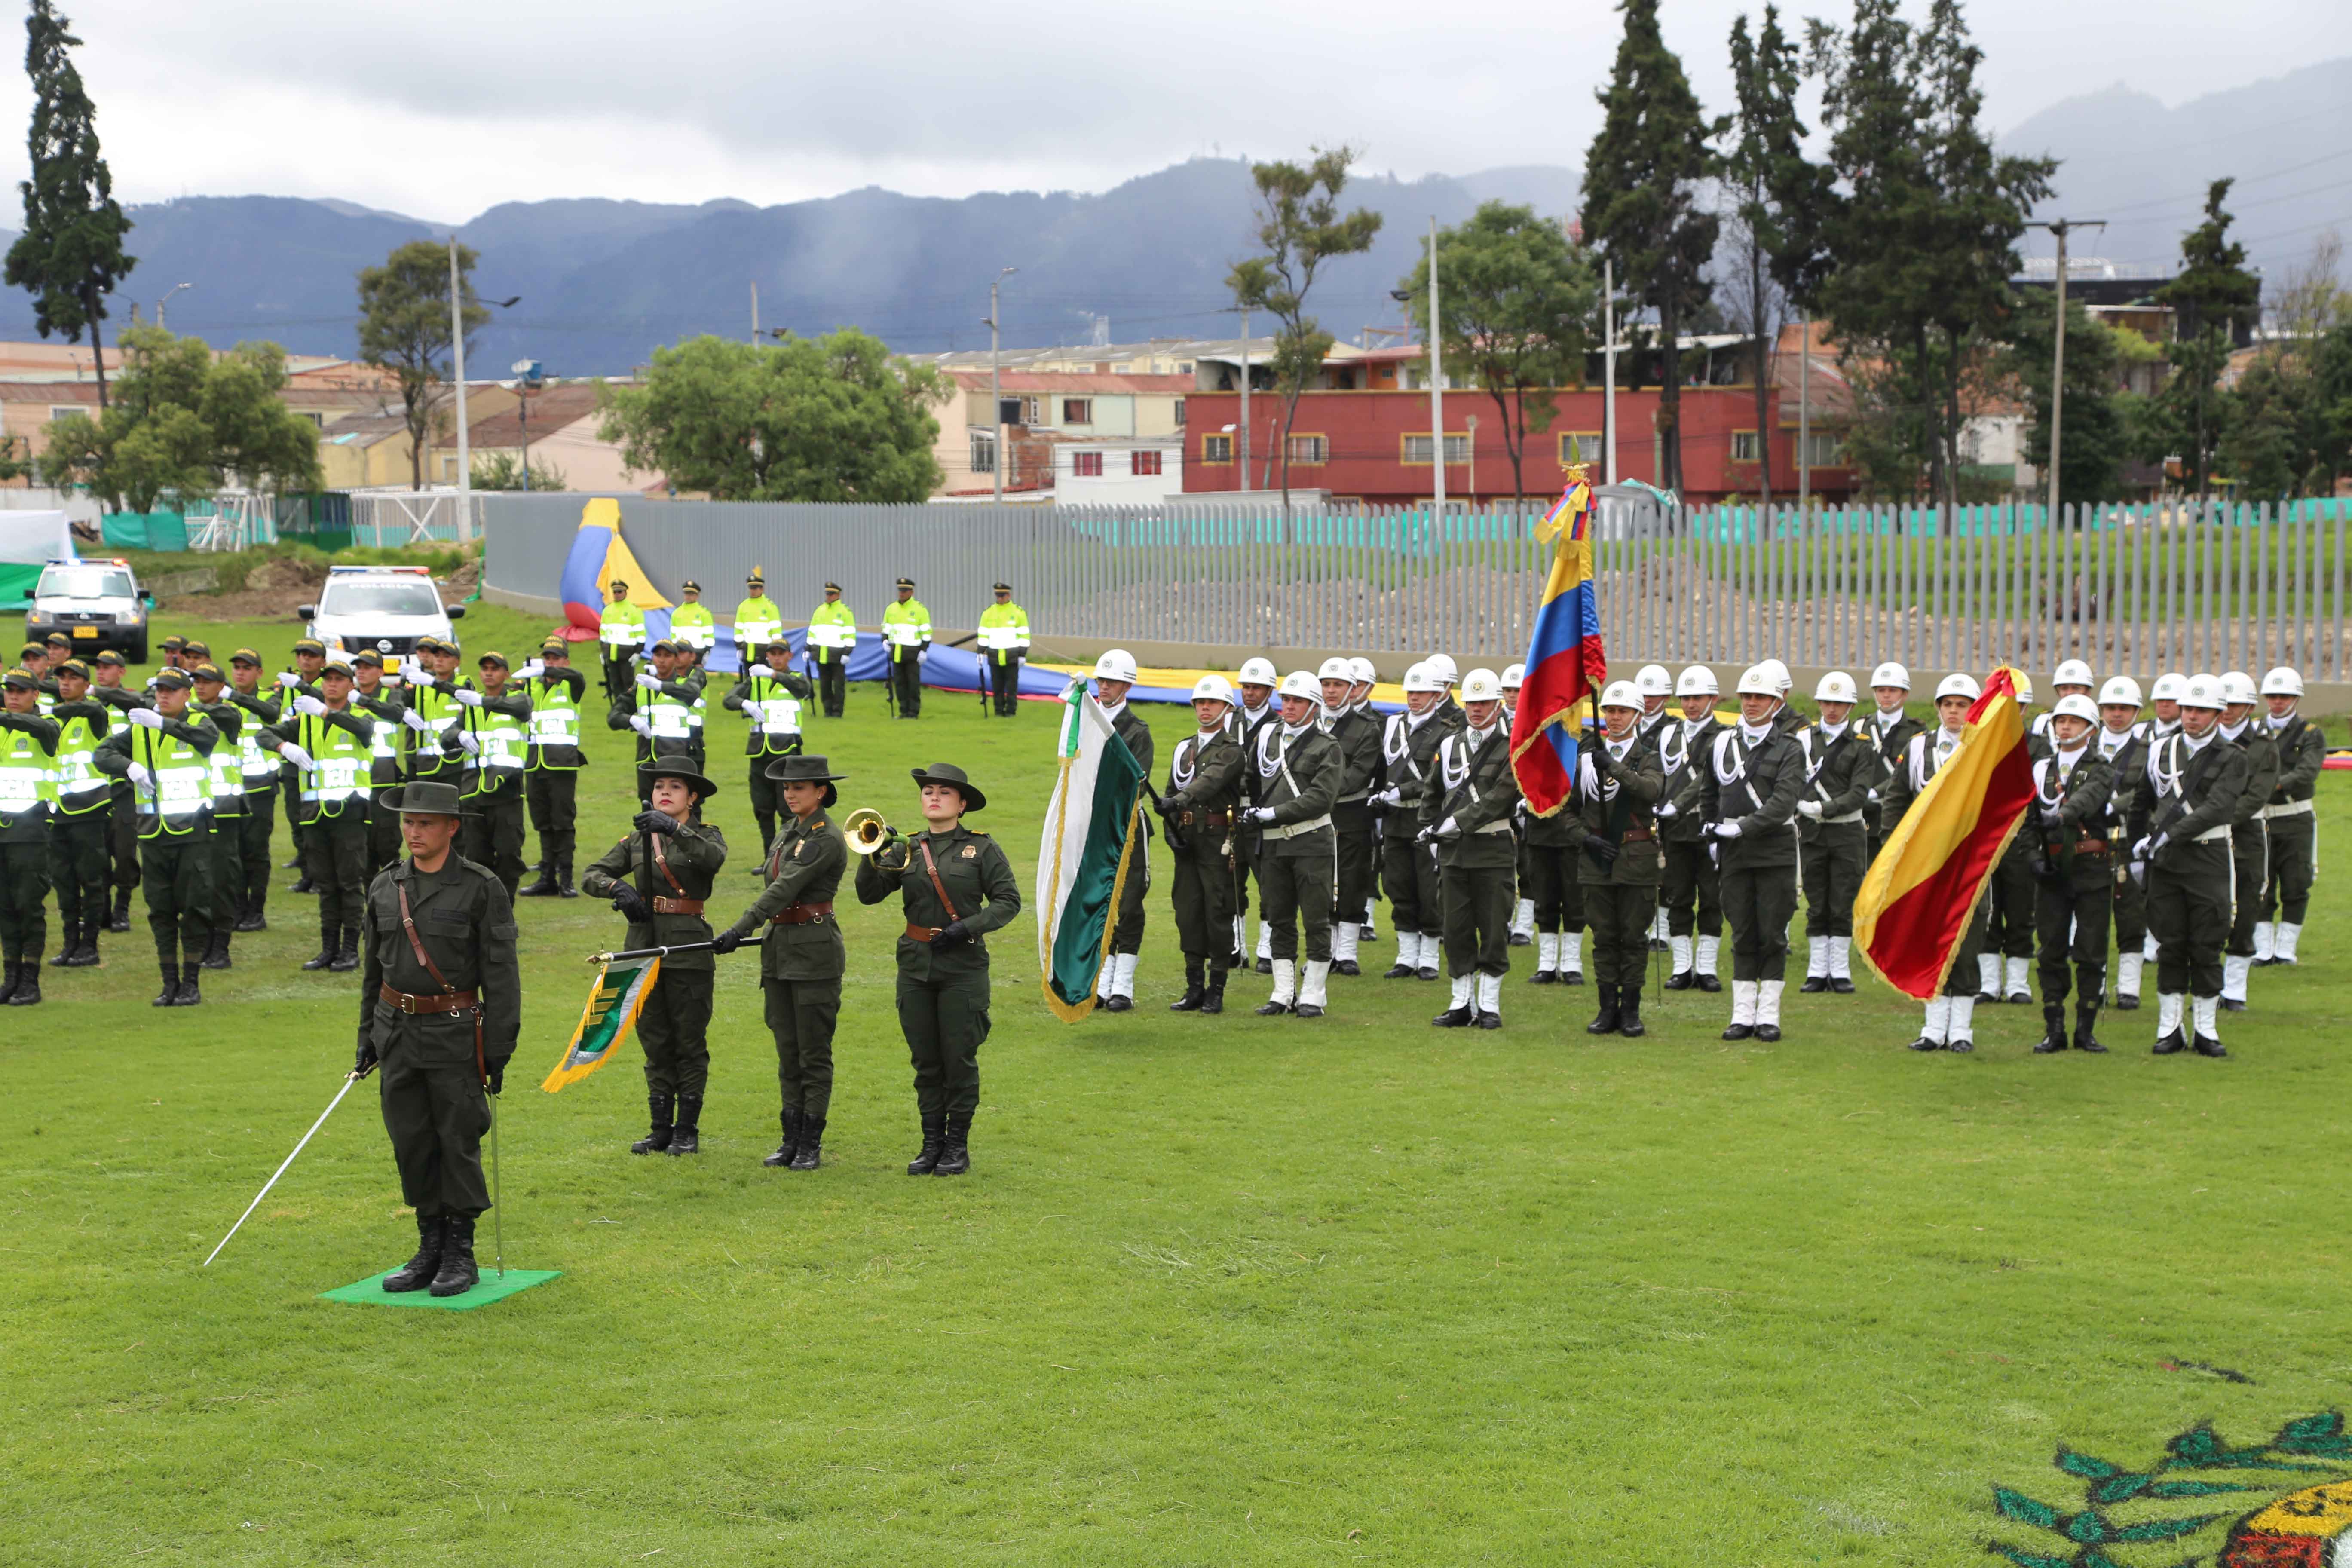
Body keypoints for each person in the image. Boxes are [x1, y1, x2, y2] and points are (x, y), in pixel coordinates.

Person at [354, 779, 521, 1299]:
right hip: (396, 1032)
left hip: (454, 1035)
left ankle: (460, 1252)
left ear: (452, 827)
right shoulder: (385, 886)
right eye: (408, 822)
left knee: (457, 1140)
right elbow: (373, 972)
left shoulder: (481, 887)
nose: (414, 832)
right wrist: (367, 1038)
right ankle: (429, 1246)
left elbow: (501, 976)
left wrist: (498, 1049)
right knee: (411, 1141)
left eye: (425, 823)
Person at [855, 763, 1020, 1174]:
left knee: (958, 1058)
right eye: (929, 791)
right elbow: (868, 895)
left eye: (945, 793)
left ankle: (956, 1147)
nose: (934, 798)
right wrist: (871, 853)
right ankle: (931, 1145)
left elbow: (1008, 901)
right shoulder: (907, 847)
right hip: (915, 966)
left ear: (962, 805)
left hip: (962, 967)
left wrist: (968, 927)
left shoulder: (982, 849)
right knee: (925, 1061)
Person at [581, 766, 728, 1154]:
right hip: (643, 946)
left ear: (692, 798)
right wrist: (617, 887)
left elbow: (713, 859)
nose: (664, 792)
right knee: (655, 1041)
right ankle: (661, 1128)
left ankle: (687, 1130)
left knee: (689, 1041)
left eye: (675, 787)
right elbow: (591, 874)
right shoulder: (637, 839)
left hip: (688, 949)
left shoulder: (706, 835)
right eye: (659, 786)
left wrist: (674, 829)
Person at [711, 754, 847, 1169]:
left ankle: (810, 1144)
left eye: (799, 788)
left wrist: (740, 928)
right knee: (788, 1051)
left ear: (820, 792)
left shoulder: (825, 837)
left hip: (814, 952)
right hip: (780, 950)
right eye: (786, 788)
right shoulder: (788, 831)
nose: (789, 794)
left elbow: (784, 888)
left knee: (813, 1053)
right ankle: (791, 1139)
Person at [2129, 674, 2245, 1057]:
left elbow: (2219, 808)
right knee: (2171, 942)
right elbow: (2142, 801)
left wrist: (2168, 835)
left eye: (2202, 710)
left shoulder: (2233, 757)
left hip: (2208, 856)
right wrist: (2136, 846)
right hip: (2167, 861)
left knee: (2207, 943)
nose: (2192, 716)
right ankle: (2170, 1028)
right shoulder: (2160, 749)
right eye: (2188, 709)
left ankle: (2206, 1030)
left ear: (2219, 714)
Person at [91, 666, 218, 1006]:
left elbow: (207, 740)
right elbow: (101, 754)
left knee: (194, 908)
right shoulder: (139, 729)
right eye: (160, 689)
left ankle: (191, 982)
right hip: (153, 833)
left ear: (186, 695)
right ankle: (169, 983)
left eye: (171, 690)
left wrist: (162, 724)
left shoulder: (199, 722)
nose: (163, 695)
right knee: (160, 910)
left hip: (192, 832)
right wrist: (129, 766)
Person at [1883, 675, 1994, 1053]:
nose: (1954, 711)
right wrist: (1895, 852)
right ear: (1938, 708)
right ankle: (1933, 1028)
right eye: (1948, 704)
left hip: (1969, 865)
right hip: (1926, 865)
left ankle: (1961, 1031)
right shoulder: (1917, 747)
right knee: (1929, 944)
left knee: (1965, 944)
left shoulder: (1987, 749)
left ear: (1974, 710)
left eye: (1962, 705)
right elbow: (1896, 801)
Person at [255, 658, 380, 974]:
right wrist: (285, 747)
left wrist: (325, 712)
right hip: (314, 815)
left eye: (339, 679)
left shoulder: (361, 715)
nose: (332, 684)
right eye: (328, 680)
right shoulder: (306, 721)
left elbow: (364, 730)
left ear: (351, 685)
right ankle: (329, 948)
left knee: (349, 884)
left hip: (350, 813)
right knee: (326, 884)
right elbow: (264, 734)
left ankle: (350, 950)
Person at [1700, 665, 1804, 1042]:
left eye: (1761, 697)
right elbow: (1709, 793)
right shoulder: (1722, 743)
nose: (1752, 703)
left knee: (1772, 933)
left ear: (1777, 703)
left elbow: (1783, 803)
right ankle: (1742, 1015)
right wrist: (1711, 830)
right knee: (1742, 931)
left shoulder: (1791, 748)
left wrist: (1742, 827)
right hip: (1735, 853)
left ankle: (1769, 1015)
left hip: (1774, 850)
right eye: (1747, 696)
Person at [1565, 682, 1666, 1036]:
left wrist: (1613, 766)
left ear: (1638, 715)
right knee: (1605, 937)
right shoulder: (1585, 759)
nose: (1615, 717)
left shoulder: (1648, 757)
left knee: (1634, 937)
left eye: (1623, 711)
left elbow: (1650, 791)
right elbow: (1567, 811)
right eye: (1610, 710)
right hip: (1597, 859)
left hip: (1636, 859)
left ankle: (1631, 1011)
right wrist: (1586, 839)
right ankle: (1607, 1008)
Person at [1423, 668, 1520, 1029]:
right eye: (1471, 703)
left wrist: (1458, 822)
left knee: (1494, 928)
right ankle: (1461, 1002)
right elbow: (1433, 794)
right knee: (1456, 928)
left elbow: (1500, 798)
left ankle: (1489, 1004)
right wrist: (1431, 830)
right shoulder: (1449, 745)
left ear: (1498, 706)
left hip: (1492, 848)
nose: (1476, 710)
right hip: (1453, 852)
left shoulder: (1512, 746)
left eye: (1484, 703)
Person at [1245, 671, 1344, 1017]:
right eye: (1286, 700)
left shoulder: (1327, 746)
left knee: (1316, 919)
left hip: (1311, 842)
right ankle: (1283, 992)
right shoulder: (1268, 737)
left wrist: (1274, 813)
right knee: (1279, 918)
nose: (1289, 706)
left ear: (1313, 707)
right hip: (1274, 845)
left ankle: (1314, 994)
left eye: (1297, 701)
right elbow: (1251, 778)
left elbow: (1321, 798)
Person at [2029, 694, 2116, 1054]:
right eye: (2061, 721)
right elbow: (2026, 820)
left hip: (2090, 869)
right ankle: (2054, 1028)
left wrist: (2061, 817)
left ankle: (2086, 1029)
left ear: (2091, 729)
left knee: (2091, 950)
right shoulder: (2040, 768)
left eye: (2074, 721)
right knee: (2050, 949)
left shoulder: (2102, 768)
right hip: (2051, 870)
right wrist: (2031, 858)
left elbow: (2088, 799)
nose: (2065, 727)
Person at [1160, 675, 1246, 1013]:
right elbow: (1170, 790)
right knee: (1188, 910)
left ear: (1227, 708)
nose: (1205, 708)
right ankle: (1194, 986)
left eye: (1212, 703)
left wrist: (1178, 801)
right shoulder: (1185, 747)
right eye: (1200, 702)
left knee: (1217, 911)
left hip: (1217, 841)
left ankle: (1217, 988)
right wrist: (1170, 830)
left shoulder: (1232, 750)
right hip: (1188, 838)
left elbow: (1209, 783)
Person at [1795, 671, 1877, 995]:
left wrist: (1822, 808)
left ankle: (1840, 970)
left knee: (1843, 902)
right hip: (1813, 833)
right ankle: (1817, 970)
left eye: (1839, 704)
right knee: (1817, 902)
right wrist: (1800, 805)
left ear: (1851, 707)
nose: (1832, 709)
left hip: (1847, 831)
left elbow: (1859, 794)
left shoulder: (1862, 745)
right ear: (1819, 703)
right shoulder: (1803, 740)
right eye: (1827, 702)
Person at [1374, 664, 1449, 982]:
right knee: (1398, 885)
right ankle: (1406, 956)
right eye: (1411, 692)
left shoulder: (1446, 731)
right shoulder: (1393, 725)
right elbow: (1383, 768)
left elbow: (1437, 778)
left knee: (1429, 890)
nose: (1415, 698)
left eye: (1422, 693)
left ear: (1437, 695)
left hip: (1425, 817)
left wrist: (1402, 792)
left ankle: (1429, 957)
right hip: (1395, 819)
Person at [1089, 650, 1155, 1011]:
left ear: (1127, 686)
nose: (1104, 687)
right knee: (1099, 903)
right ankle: (1102, 981)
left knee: (1128, 904)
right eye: (1101, 680)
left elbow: (1137, 786)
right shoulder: (1085, 722)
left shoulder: (1137, 731)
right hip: (1092, 829)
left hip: (1126, 826)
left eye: (1112, 682)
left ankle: (1123, 984)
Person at [2211, 671, 2278, 1011]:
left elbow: (2257, 796)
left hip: (2245, 833)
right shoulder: (2201, 740)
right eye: (2223, 704)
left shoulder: (2264, 746)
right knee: (2208, 908)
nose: (2228, 711)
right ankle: (2208, 987)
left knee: (2248, 903)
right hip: (2205, 833)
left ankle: (2235, 988)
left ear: (2250, 707)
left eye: (2235, 705)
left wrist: (2216, 817)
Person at [1658, 665, 1724, 992]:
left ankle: (1707, 968)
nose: (1690, 705)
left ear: (1713, 699)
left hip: (1708, 824)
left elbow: (1709, 779)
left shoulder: (1724, 736)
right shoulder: (1669, 734)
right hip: (1676, 829)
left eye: (1697, 698)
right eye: (1685, 698)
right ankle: (1682, 967)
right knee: (1678, 897)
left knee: (1712, 899)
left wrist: (1678, 804)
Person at [1978, 672, 2041, 1007]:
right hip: (1986, 840)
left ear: (2025, 710)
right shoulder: (1979, 742)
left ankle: (2017, 983)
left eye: (2017, 707)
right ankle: (1989, 983)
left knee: (2020, 912)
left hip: (2022, 839)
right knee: (1987, 912)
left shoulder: (2039, 746)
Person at [44, 659, 112, 970]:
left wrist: (49, 711)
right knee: (64, 881)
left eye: (74, 678)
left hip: (89, 810)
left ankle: (90, 944)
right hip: (57, 812)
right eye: (62, 678)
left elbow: (93, 710)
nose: (66, 683)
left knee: (91, 880)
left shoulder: (94, 714)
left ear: (87, 685)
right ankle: (70, 941)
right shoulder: (53, 721)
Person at [2254, 665, 2323, 967]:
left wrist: (2270, 785)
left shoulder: (2311, 733)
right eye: (2273, 696)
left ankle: (2286, 950)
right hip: (2260, 818)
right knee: (2261, 883)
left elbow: (2307, 772)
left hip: (2294, 818)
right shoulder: (2254, 730)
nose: (2278, 702)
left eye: (2284, 696)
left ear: (2296, 699)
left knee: (2296, 883)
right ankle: (2263, 949)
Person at [1319, 655, 1382, 978]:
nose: (1331, 691)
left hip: (1351, 815)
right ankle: (1326, 952)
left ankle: (1347, 953)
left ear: (1352, 688)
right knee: (1320, 882)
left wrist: (1314, 794)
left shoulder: (1366, 727)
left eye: (1339, 685)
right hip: (1314, 818)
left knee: (1352, 882)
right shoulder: (1308, 722)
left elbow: (1359, 774)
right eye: (1327, 684)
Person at [723, 639, 813, 861]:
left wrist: (773, 674)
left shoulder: (796, 678)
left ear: (789, 656)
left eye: (781, 654)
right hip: (759, 752)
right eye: (773, 654)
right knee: (763, 809)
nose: (777, 658)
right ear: (768, 657)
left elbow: (804, 690)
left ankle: (787, 859)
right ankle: (769, 860)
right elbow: (728, 699)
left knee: (788, 809)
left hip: (787, 754)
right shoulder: (757, 681)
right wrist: (745, 704)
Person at [2092, 677, 2152, 1009]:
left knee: (2132, 915)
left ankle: (2129, 987)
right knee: (2093, 914)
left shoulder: (2150, 749)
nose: (2117, 714)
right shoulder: (2087, 744)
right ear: (2101, 710)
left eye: (2125, 709)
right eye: (2112, 708)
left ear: (2137, 712)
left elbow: (2147, 790)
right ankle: (2096, 983)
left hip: (2129, 840)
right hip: (2091, 841)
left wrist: (2113, 806)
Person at [0, 669, 58, 1001]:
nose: (13, 696)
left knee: (28, 907)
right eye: (9, 690)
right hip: (2, 830)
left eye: (21, 691)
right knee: (5, 908)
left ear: (36, 695)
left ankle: (30, 980)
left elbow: (43, 730)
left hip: (30, 832)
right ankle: (11, 976)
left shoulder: (46, 726)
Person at [456, 652, 531, 901]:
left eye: (495, 669)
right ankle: (483, 909)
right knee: (476, 858)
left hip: (506, 792)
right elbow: (449, 734)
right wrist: (458, 735)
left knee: (509, 854)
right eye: (485, 669)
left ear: (506, 674)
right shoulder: (471, 706)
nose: (489, 673)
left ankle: (504, 906)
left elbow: (522, 709)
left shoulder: (518, 699)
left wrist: (482, 701)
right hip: (473, 793)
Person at [516, 639, 587, 898]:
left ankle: (566, 879)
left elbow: (578, 676)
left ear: (566, 661)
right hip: (535, 762)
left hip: (562, 764)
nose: (551, 662)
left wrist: (545, 670)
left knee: (563, 822)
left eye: (556, 658)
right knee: (543, 822)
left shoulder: (571, 685)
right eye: (547, 658)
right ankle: (547, 877)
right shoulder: (531, 686)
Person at [189, 662, 248, 972]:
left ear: (221, 687)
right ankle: (205, 942)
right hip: (197, 811)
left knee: (222, 880)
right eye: (196, 681)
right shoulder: (187, 717)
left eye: (207, 682)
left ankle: (221, 947)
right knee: (199, 882)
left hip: (225, 811)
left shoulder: (229, 713)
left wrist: (182, 712)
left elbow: (224, 716)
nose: (200, 686)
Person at [220, 649, 282, 931]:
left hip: (260, 788)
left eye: (247, 668)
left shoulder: (270, 697)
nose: (240, 672)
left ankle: (256, 911)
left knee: (255, 853)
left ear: (259, 672)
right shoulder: (222, 701)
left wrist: (234, 697)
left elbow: (271, 714)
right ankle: (237, 909)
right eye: (236, 668)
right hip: (231, 789)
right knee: (232, 853)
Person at [90, 650, 144, 934]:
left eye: (108, 667)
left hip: (125, 789)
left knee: (125, 852)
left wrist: (98, 692)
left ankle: (123, 905)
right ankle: (103, 908)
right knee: (97, 854)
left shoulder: (132, 702)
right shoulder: (87, 705)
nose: (101, 672)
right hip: (95, 791)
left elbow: (139, 703)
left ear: (122, 672)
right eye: (98, 667)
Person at [609, 639, 702, 804]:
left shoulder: (683, 684)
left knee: (675, 807)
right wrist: (631, 720)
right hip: (646, 758)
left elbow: (692, 693)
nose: (662, 660)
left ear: (676, 660)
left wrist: (660, 686)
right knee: (647, 807)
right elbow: (614, 717)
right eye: (658, 655)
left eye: (667, 656)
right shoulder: (642, 687)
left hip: (675, 757)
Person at [1233, 655, 1280, 971]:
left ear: (1269, 691)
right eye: (1246, 687)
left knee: (1269, 882)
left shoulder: (1278, 724)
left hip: (1261, 809)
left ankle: (1267, 948)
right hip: (1230, 810)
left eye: (1257, 688)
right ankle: (1237, 946)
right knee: (1231, 881)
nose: (1250, 693)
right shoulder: (1230, 718)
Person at [347, 652, 408, 878]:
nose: (361, 671)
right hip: (355, 782)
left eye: (368, 667)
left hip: (383, 780)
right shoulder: (347, 697)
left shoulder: (390, 695)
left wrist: (363, 701)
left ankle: (395, 891)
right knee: (361, 844)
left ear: (381, 672)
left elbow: (396, 714)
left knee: (387, 842)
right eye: (359, 667)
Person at [1862, 663, 1923, 868]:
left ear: (1905, 694)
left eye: (1892, 690)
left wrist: (1874, 793)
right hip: (1866, 815)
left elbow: (1910, 774)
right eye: (1881, 690)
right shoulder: (1861, 726)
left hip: (1899, 813)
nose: (1886, 696)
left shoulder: (1917, 731)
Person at [977, 582, 1030, 717]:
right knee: (997, 685)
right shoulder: (988, 613)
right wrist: (980, 652)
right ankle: (999, 710)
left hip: (1012, 654)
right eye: (998, 596)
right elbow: (983, 634)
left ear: (1008, 595)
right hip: (994, 654)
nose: (1000, 598)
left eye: (1003, 596)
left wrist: (1022, 654)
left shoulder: (1018, 612)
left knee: (1012, 686)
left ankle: (1011, 711)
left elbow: (1024, 635)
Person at [805, 582, 857, 718]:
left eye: (831, 594)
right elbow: (812, 631)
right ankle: (827, 709)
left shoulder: (845, 612)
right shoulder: (819, 610)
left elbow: (850, 634)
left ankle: (837, 711)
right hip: (821, 653)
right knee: (824, 684)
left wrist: (847, 652)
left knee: (838, 685)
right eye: (827, 594)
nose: (829, 597)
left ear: (838, 595)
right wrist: (808, 648)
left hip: (838, 655)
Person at [881, 577, 931, 718]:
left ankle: (913, 711)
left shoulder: (920, 610)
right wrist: (884, 641)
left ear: (911, 592)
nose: (902, 594)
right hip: (897, 651)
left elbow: (926, 632)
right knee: (900, 683)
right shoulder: (891, 609)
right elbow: (886, 628)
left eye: (905, 591)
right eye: (900, 591)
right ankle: (903, 710)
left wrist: (924, 650)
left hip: (913, 652)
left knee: (913, 683)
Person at [597, 577, 646, 703]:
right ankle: (618, 706)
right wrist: (603, 652)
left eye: (620, 592)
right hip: (611, 653)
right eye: (615, 592)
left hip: (628, 654)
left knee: (628, 681)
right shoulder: (607, 610)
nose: (617, 594)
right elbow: (603, 633)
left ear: (625, 593)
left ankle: (629, 706)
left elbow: (641, 634)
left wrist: (638, 653)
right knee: (615, 682)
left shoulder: (634, 611)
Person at [730, 570, 784, 670]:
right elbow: (738, 628)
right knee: (749, 676)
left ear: (762, 589)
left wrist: (775, 650)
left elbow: (776, 631)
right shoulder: (743, 606)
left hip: (765, 649)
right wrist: (739, 647)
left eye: (755, 588)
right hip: (748, 649)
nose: (753, 591)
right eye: (751, 588)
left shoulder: (770, 607)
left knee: (765, 677)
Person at [668, 579, 717, 659]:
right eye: (687, 594)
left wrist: (708, 649)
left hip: (699, 651)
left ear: (697, 596)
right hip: (681, 651)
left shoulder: (704, 613)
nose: (688, 596)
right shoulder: (676, 613)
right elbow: (673, 634)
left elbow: (709, 634)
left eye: (691, 594)